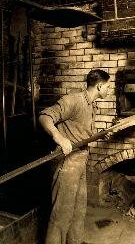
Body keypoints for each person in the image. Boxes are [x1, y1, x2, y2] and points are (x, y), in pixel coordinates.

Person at [39, 69, 111, 244]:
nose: (110, 90)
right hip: (67, 162)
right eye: (108, 86)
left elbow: (81, 132)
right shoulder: (73, 100)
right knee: (61, 214)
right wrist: (59, 137)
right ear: (100, 86)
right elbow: (45, 116)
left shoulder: (92, 105)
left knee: (78, 209)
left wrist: (101, 134)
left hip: (80, 159)